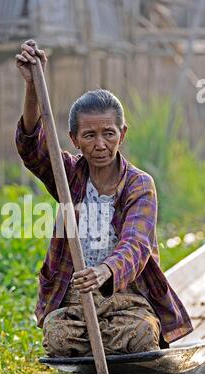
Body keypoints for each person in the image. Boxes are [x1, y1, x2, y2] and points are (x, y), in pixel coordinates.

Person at [15, 39, 193, 357]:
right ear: (75, 140)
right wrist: (32, 86)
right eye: (90, 135)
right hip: (76, 300)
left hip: (127, 298)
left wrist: (104, 271)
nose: (100, 144)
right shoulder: (67, 175)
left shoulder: (139, 185)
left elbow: (136, 246)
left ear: (121, 135)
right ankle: (95, 355)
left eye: (108, 134)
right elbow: (32, 148)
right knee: (57, 338)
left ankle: (118, 355)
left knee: (139, 337)